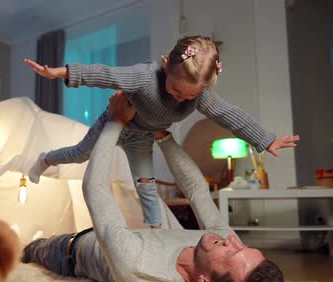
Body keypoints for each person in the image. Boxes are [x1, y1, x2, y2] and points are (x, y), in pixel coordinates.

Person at [22, 91, 287, 282]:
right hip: (120, 236)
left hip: (70, 251)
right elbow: (197, 189)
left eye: (231, 252)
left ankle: (32, 247)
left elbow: (94, 187)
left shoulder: (136, 267)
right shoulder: (224, 244)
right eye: (242, 245)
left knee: (32, 251)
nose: (231, 240)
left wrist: (115, 120)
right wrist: (161, 132)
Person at [25, 35, 299, 229]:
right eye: (176, 90)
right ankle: (46, 159)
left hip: (144, 135)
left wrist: (265, 139)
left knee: (146, 182)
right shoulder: (145, 76)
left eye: (188, 95)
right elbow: (106, 74)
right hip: (117, 120)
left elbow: (230, 115)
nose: (181, 99)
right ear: (166, 65)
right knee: (79, 154)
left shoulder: (197, 96)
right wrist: (61, 73)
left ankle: (156, 230)